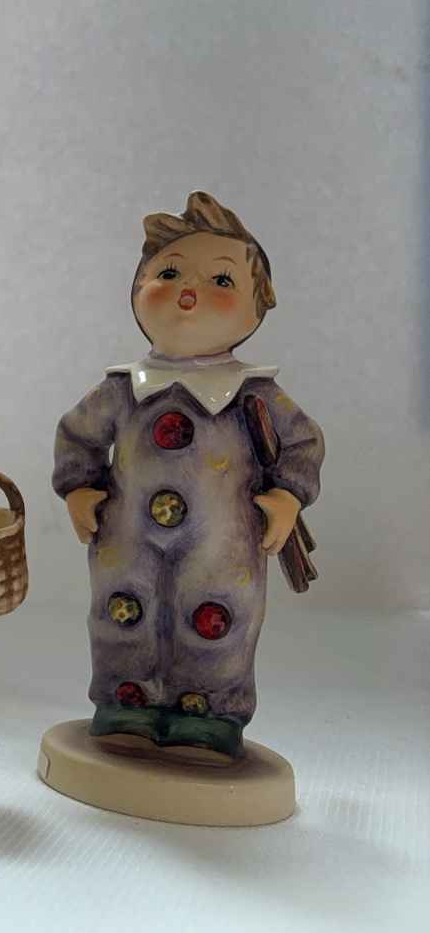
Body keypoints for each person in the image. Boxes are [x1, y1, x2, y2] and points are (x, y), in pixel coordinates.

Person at [52, 191, 324, 759]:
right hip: (125, 537)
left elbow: (302, 443)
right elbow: (78, 435)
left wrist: (287, 497)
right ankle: (126, 700)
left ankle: (208, 710)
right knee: (123, 611)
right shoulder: (121, 390)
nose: (188, 291)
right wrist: (79, 487)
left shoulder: (255, 394)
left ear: (259, 306)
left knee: (216, 618)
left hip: (223, 544)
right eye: (168, 273)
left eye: (221, 280)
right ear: (138, 288)